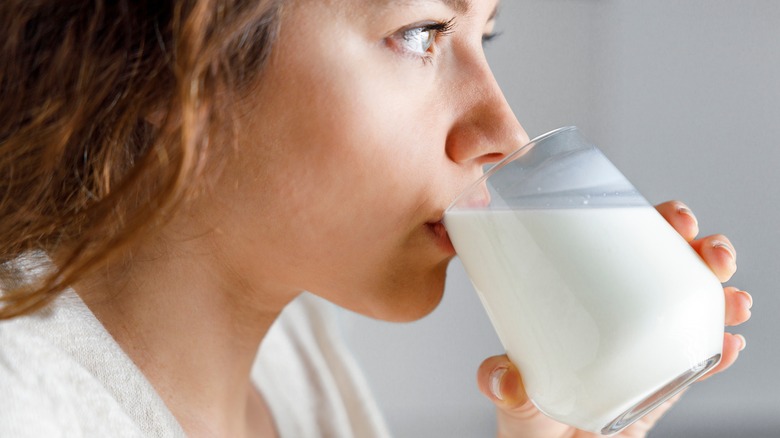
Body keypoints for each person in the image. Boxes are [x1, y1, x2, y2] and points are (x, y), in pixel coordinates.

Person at [0, 0, 752, 437]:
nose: (504, 135)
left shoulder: (297, 363)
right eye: (421, 33)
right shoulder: (26, 403)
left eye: (482, 37)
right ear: (177, 56)